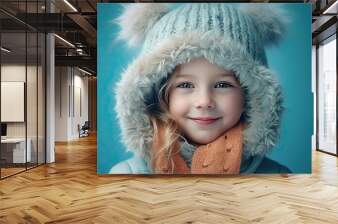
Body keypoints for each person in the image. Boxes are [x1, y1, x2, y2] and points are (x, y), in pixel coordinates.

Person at [109, 3, 291, 174]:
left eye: (222, 85)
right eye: (185, 85)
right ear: (159, 94)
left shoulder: (278, 175)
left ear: (251, 95)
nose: (204, 101)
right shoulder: (127, 173)